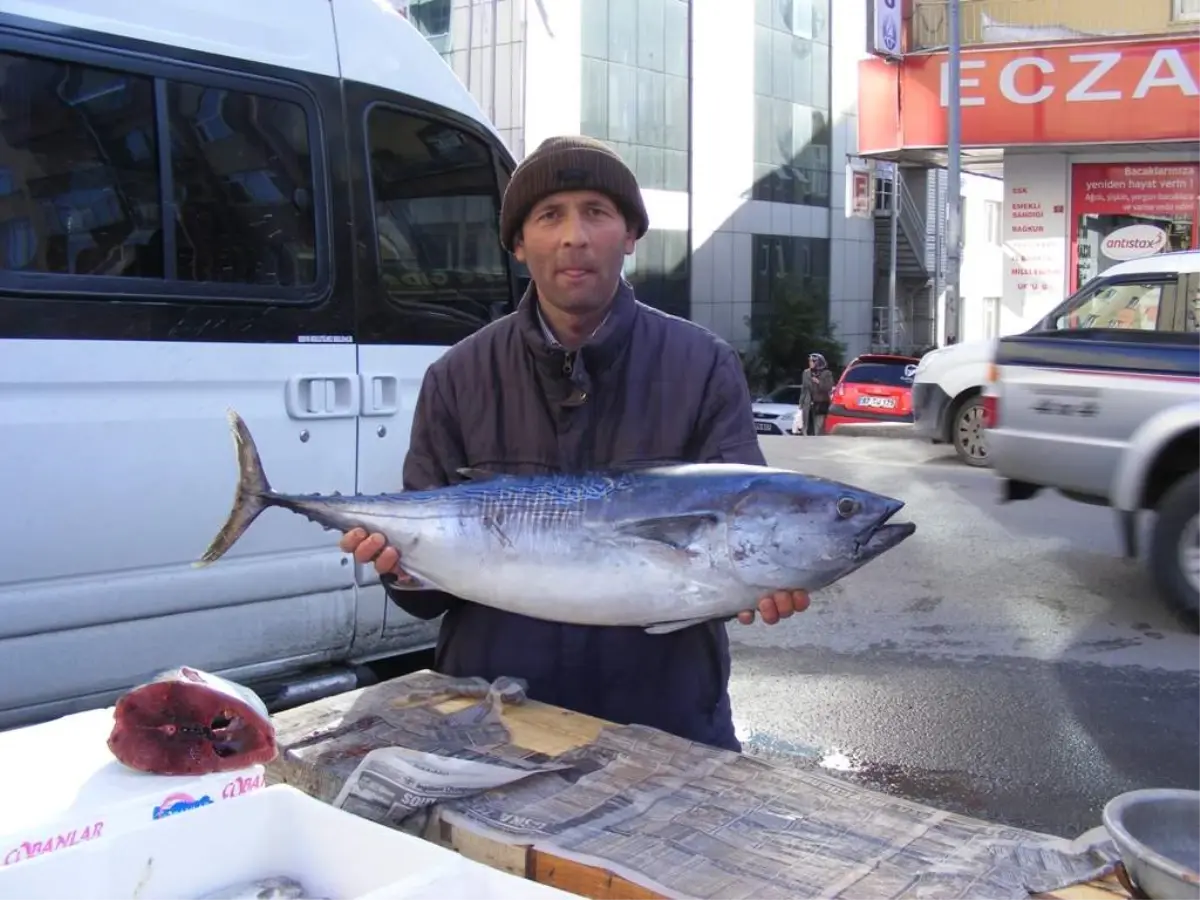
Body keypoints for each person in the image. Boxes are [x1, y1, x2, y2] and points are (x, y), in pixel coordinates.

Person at [340, 135, 811, 752]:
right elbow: (426, 600)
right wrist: (401, 569)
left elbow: (735, 536)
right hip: (490, 721)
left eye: (596, 211)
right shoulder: (457, 376)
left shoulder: (703, 366)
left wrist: (760, 586)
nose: (574, 236)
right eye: (549, 216)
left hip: (664, 724)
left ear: (630, 234)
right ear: (517, 244)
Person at [800, 353, 834, 436]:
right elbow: (804, 389)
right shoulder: (806, 373)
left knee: (818, 427)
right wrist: (801, 402)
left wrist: (819, 382)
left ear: (819, 362)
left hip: (820, 403)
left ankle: (817, 440)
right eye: (810, 361)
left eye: (813, 361)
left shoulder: (827, 373)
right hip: (808, 403)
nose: (810, 363)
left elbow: (829, 387)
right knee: (806, 426)